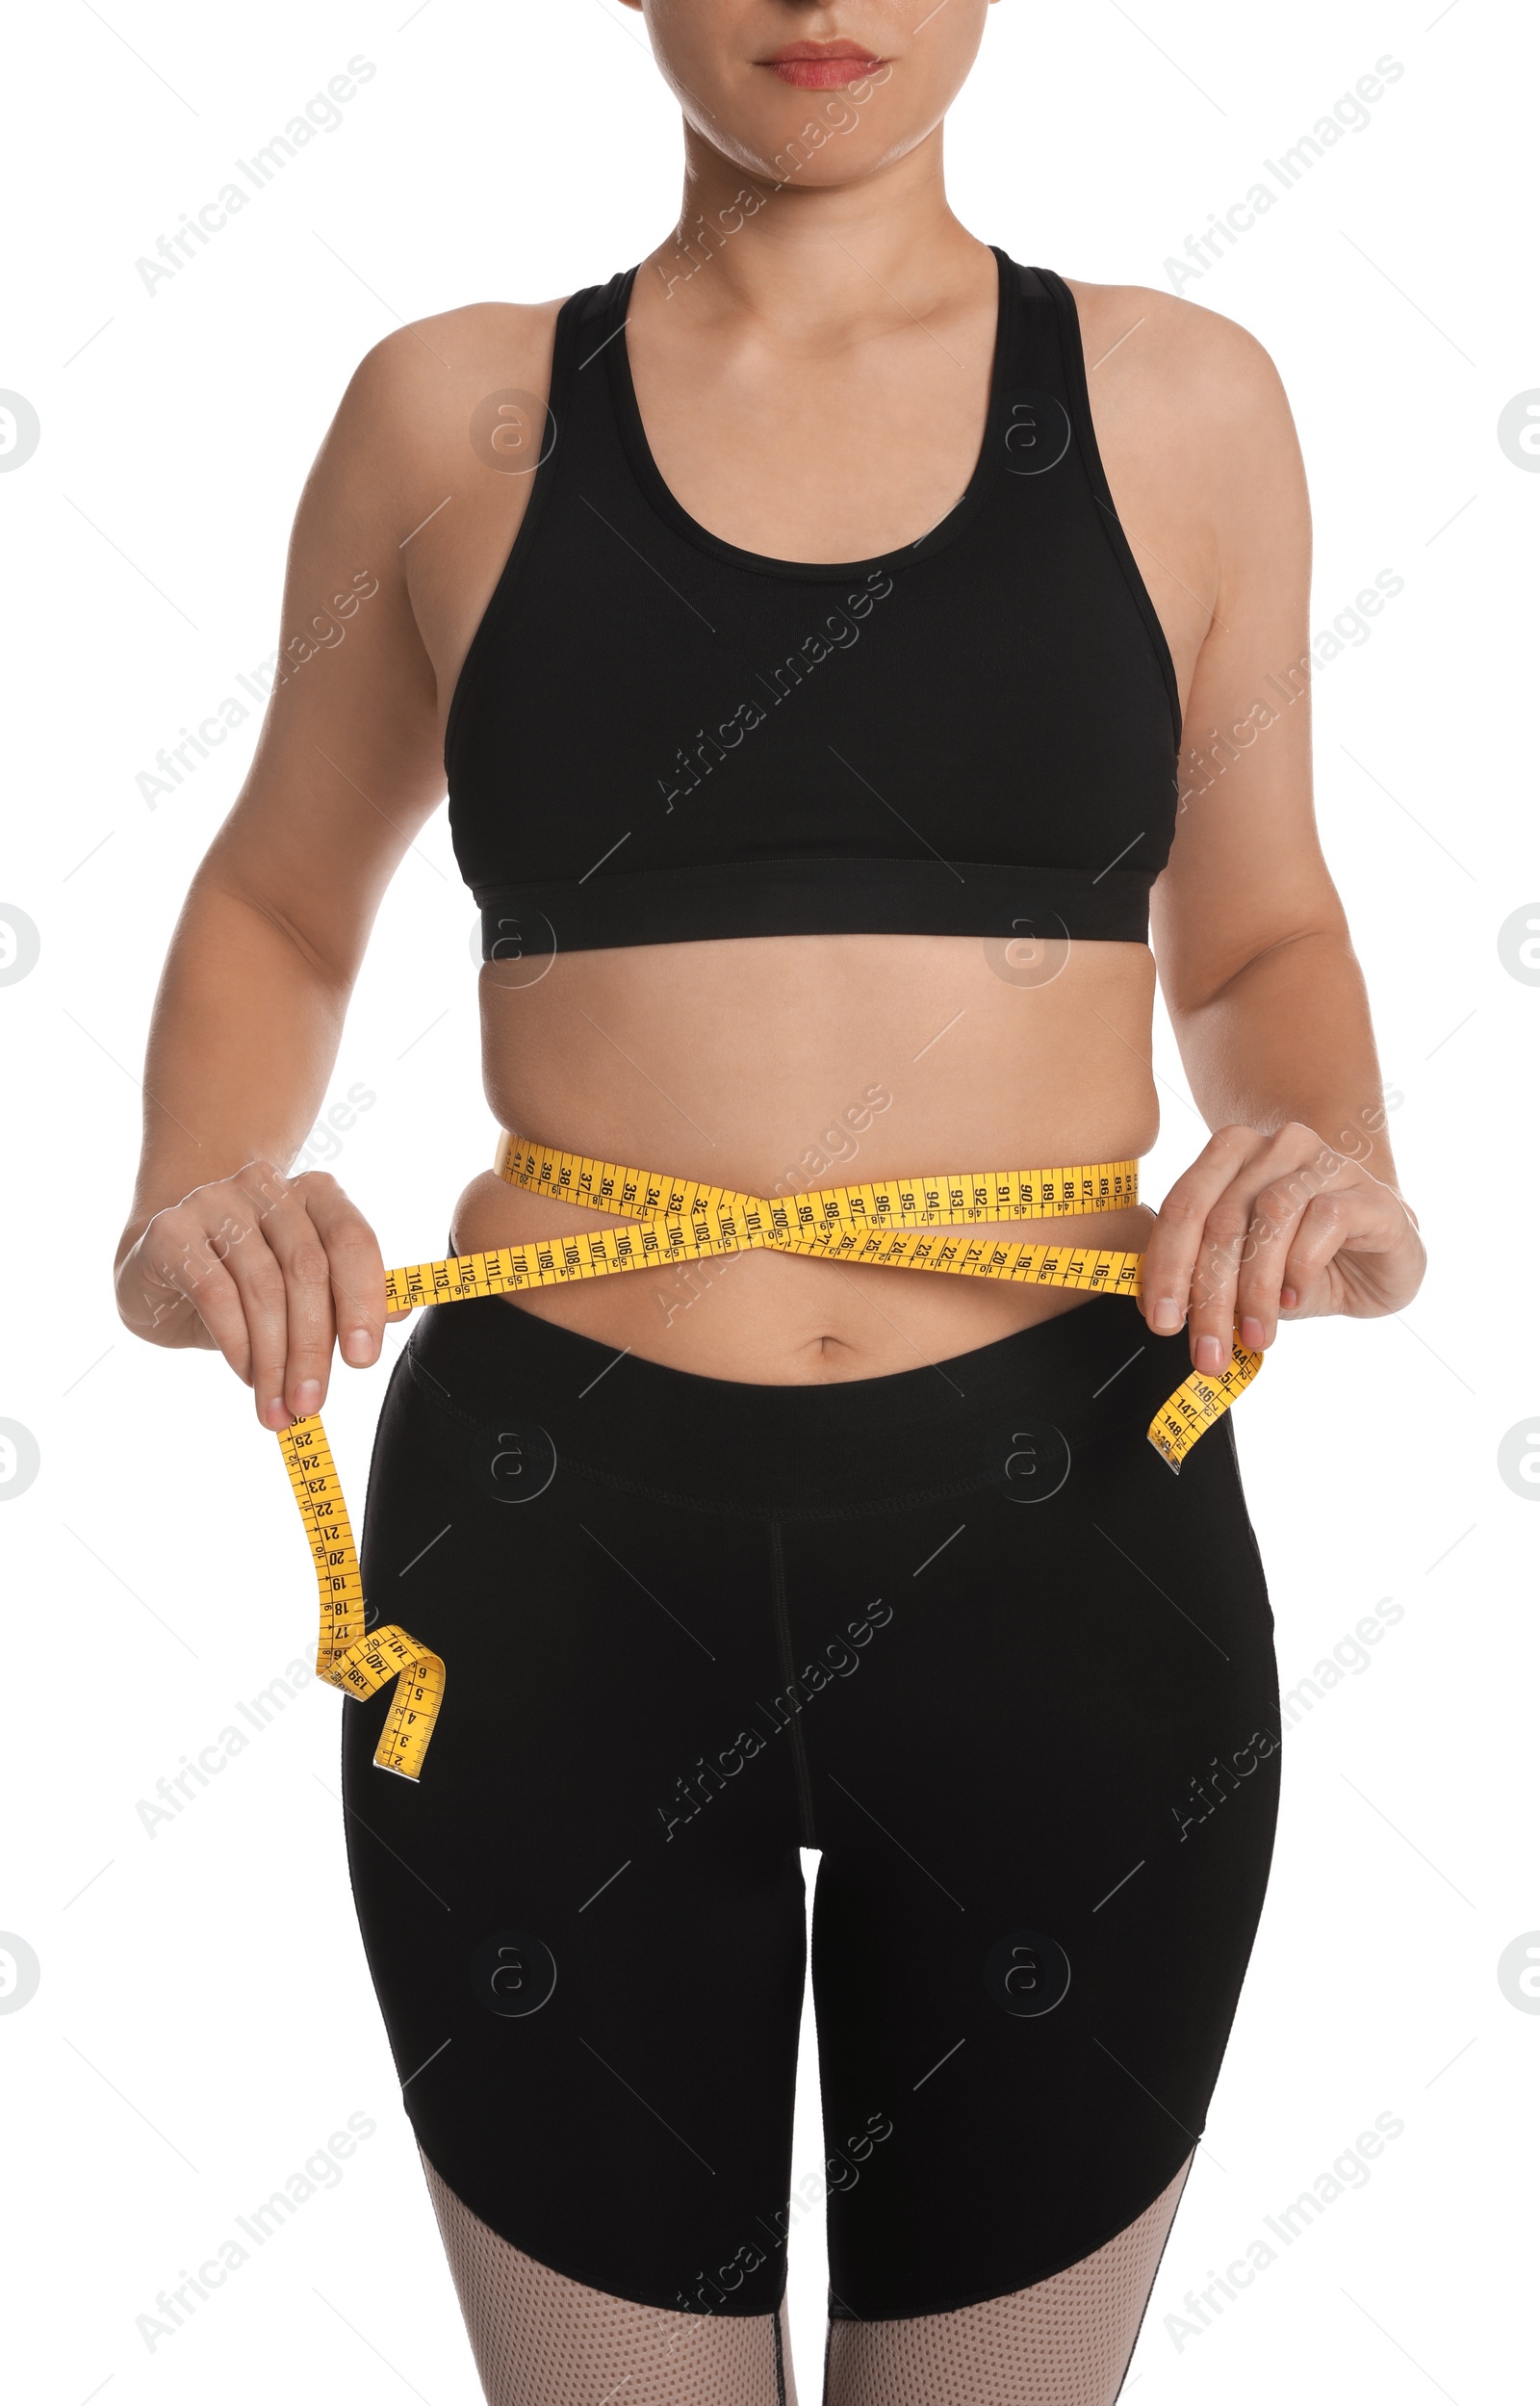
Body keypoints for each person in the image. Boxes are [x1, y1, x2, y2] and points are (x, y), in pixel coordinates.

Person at [114, 5, 1425, 2400]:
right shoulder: (452, 412)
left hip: (1066, 1548)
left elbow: (1254, 938)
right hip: (545, 1563)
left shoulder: (1182, 401)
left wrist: (1326, 1146)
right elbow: (280, 905)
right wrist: (193, 1192)